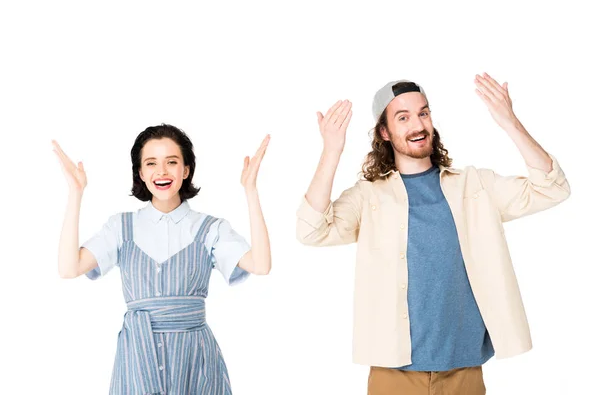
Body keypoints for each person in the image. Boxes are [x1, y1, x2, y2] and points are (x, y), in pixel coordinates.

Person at [295, 73, 571, 394]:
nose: (418, 124)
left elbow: (554, 188)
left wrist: (509, 122)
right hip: (393, 374)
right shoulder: (369, 197)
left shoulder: (474, 186)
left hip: (464, 370)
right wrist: (332, 150)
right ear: (384, 132)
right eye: (403, 117)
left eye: (423, 113)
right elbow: (310, 230)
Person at [53, 124, 271, 394]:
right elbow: (68, 268)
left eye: (172, 162)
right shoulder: (121, 227)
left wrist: (250, 190)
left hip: (195, 362)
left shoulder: (210, 228)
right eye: (151, 163)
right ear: (141, 173)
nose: (162, 171)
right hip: (137, 361)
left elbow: (260, 265)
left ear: (186, 169)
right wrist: (76, 192)